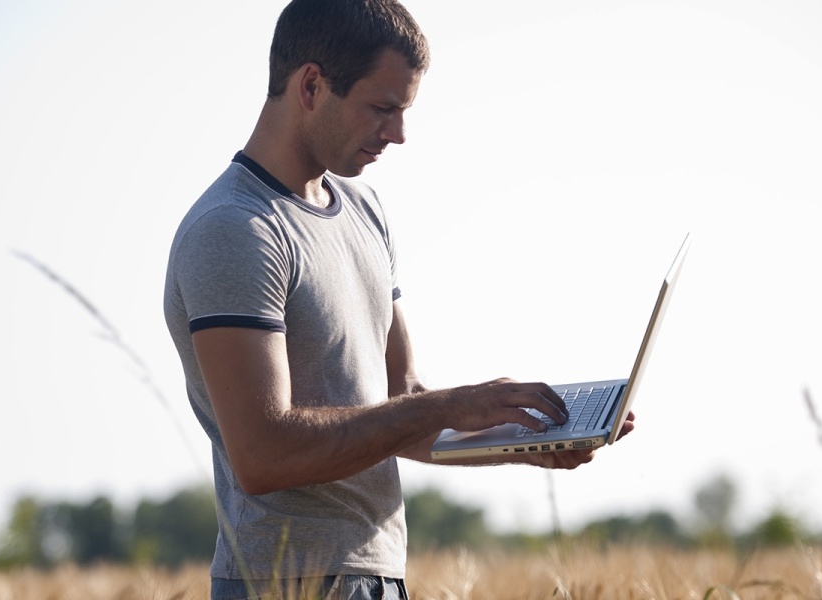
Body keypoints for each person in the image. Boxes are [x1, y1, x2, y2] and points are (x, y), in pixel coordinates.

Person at [162, 1, 635, 597]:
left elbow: (399, 406)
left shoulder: (364, 211)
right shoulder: (236, 229)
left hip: (380, 578)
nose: (399, 134)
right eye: (383, 108)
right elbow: (263, 454)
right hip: (283, 583)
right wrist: (448, 406)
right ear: (311, 85)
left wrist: (525, 437)